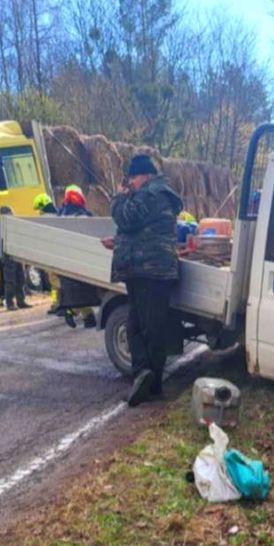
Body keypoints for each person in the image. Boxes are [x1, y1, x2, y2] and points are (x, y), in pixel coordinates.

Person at [108, 154, 182, 406]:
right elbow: (139, 230)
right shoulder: (158, 193)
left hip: (147, 270)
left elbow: (127, 218)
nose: (130, 183)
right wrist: (118, 242)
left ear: (145, 175)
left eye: (132, 178)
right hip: (150, 269)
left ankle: (147, 379)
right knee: (144, 326)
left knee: (143, 327)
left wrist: (118, 197)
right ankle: (148, 381)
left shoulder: (151, 193)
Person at [55, 184, 97, 328]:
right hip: (85, 257)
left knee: (75, 288)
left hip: (66, 258)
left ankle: (85, 315)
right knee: (87, 288)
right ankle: (84, 316)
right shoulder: (85, 214)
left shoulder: (60, 216)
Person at [0, 205, 28, 310]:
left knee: (21, 279)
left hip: (17, 255)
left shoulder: (15, 225)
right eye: (9, 213)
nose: (11, 214)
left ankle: (21, 301)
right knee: (10, 281)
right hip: (7, 257)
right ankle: (10, 303)